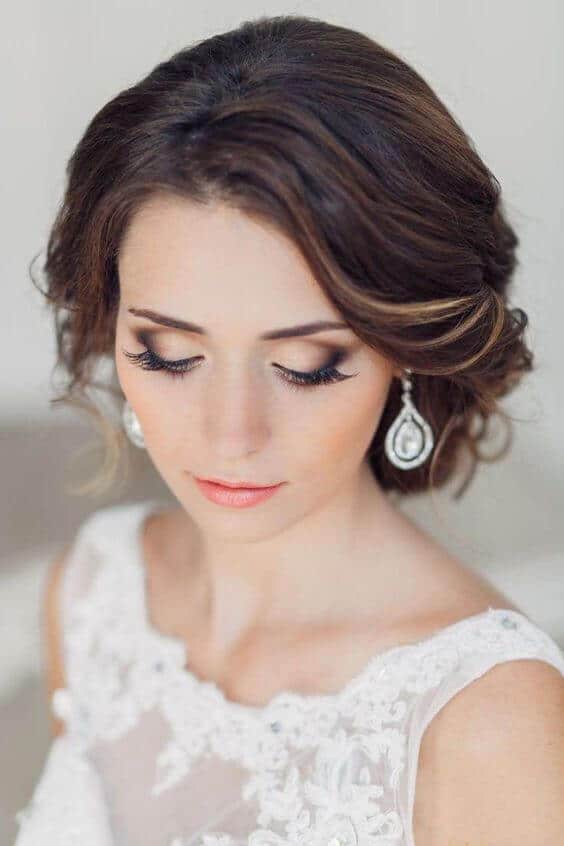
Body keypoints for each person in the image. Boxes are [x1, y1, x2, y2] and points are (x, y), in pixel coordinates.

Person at [16, 14, 564, 846]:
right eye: (166, 355)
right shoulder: (96, 591)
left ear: (404, 352)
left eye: (306, 366)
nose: (230, 434)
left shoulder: (490, 719)